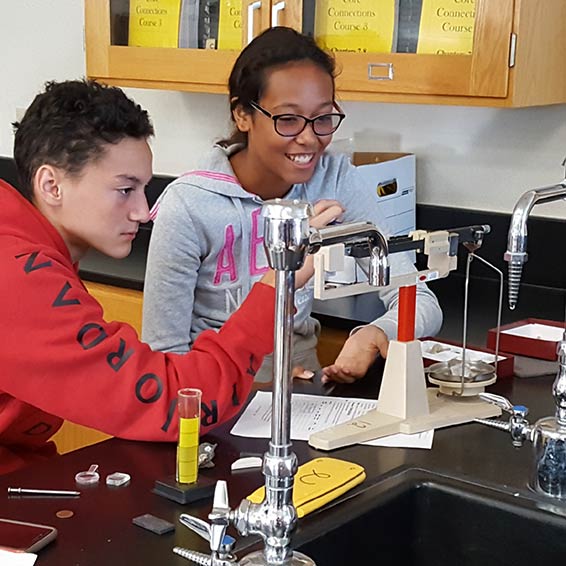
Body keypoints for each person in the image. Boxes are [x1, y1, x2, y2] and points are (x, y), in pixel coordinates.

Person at [0, 79, 335, 475]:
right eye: (124, 190)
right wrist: (276, 287)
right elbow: (176, 402)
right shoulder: (18, 275)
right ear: (51, 185)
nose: (143, 212)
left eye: (144, 188)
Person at [142, 26, 443, 384]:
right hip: (209, 381)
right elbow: (164, 360)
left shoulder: (334, 180)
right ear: (242, 115)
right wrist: (247, 388)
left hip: (298, 371)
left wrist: (377, 333)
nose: (309, 138)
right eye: (287, 119)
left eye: (322, 118)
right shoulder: (190, 204)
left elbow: (418, 298)